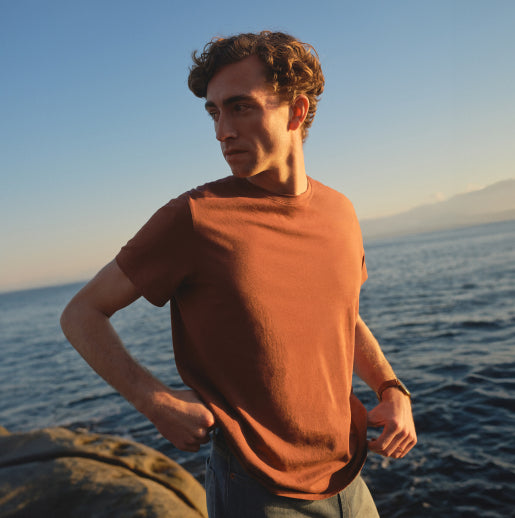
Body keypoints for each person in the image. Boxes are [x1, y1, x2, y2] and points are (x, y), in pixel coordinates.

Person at [61, 31, 416, 517]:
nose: (221, 130)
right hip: (257, 489)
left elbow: (342, 318)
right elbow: (81, 313)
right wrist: (156, 402)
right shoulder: (194, 217)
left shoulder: (340, 213)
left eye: (241, 107)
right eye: (214, 112)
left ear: (296, 111)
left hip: (348, 477)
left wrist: (391, 389)